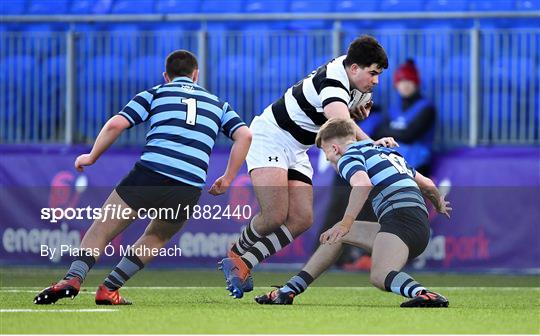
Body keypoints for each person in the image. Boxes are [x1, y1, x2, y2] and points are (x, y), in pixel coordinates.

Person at [34, 50, 252, 305]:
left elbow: (117, 124)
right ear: (196, 75)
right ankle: (109, 289)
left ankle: (74, 277)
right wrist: (227, 177)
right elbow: (245, 135)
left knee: (102, 228)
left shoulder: (156, 93)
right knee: (157, 236)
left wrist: (91, 156)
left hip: (150, 173)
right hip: (189, 184)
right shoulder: (218, 104)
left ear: (166, 76)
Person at [219, 35, 398, 298]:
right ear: (354, 68)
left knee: (303, 219)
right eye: (373, 73)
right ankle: (235, 254)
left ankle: (244, 262)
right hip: (271, 136)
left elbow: (353, 110)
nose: (376, 81)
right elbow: (342, 126)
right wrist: (373, 143)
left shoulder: (355, 79)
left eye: (379, 74)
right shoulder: (333, 81)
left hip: (299, 147)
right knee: (274, 215)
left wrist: (358, 109)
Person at [255, 118, 451, 308]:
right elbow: (428, 184)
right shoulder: (385, 152)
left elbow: (362, 185)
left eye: (325, 153)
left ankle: (424, 294)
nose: (328, 160)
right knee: (338, 236)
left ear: (334, 148)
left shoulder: (347, 157)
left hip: (400, 222)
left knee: (379, 275)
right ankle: (288, 290)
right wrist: (439, 204)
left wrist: (346, 222)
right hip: (416, 225)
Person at [374, 59, 436, 175]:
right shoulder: (393, 109)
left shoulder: (426, 108)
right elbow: (379, 132)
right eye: (401, 81)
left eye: (409, 80)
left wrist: (390, 132)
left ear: (416, 83)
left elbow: (409, 135)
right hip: (392, 165)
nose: (405, 84)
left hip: (417, 167)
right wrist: (400, 132)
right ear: (396, 84)